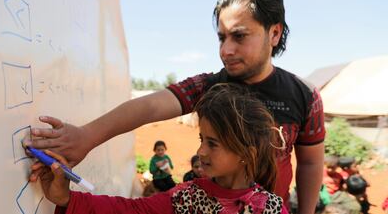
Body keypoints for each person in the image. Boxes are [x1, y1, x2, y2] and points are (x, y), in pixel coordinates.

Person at [26, 0, 325, 212]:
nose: (226, 50)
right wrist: (86, 137)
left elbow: (310, 165)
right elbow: (150, 106)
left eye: (239, 36)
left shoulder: (303, 96)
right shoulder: (191, 197)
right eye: (221, 38)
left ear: (274, 33)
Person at [33, 83, 288, 214]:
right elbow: (132, 211)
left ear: (246, 153)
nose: (201, 152)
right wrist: (67, 199)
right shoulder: (188, 198)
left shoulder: (272, 209)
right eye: (202, 139)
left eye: (212, 143)